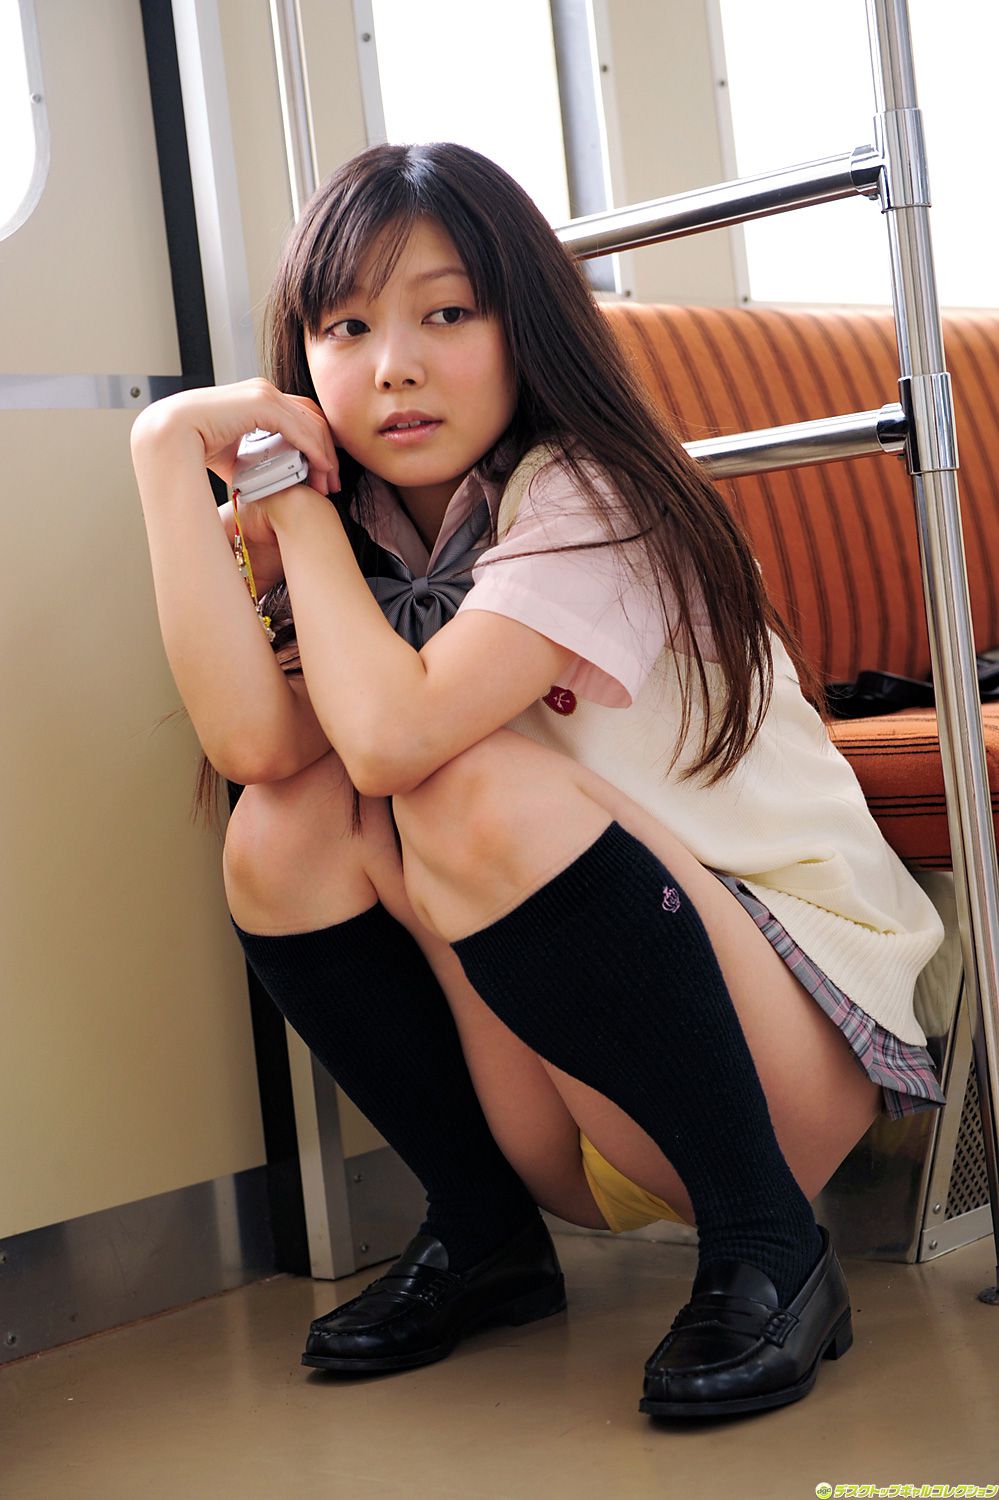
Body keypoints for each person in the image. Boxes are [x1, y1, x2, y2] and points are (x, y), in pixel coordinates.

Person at [129, 141, 947, 1420]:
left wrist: (288, 507)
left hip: (782, 1057)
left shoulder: (591, 492)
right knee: (280, 832)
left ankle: (770, 1244)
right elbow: (254, 748)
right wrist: (162, 449)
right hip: (572, 1106)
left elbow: (394, 740)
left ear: (529, 326)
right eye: (347, 327)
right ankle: (485, 1231)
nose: (394, 365)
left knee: (457, 781)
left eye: (448, 313)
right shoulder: (371, 533)